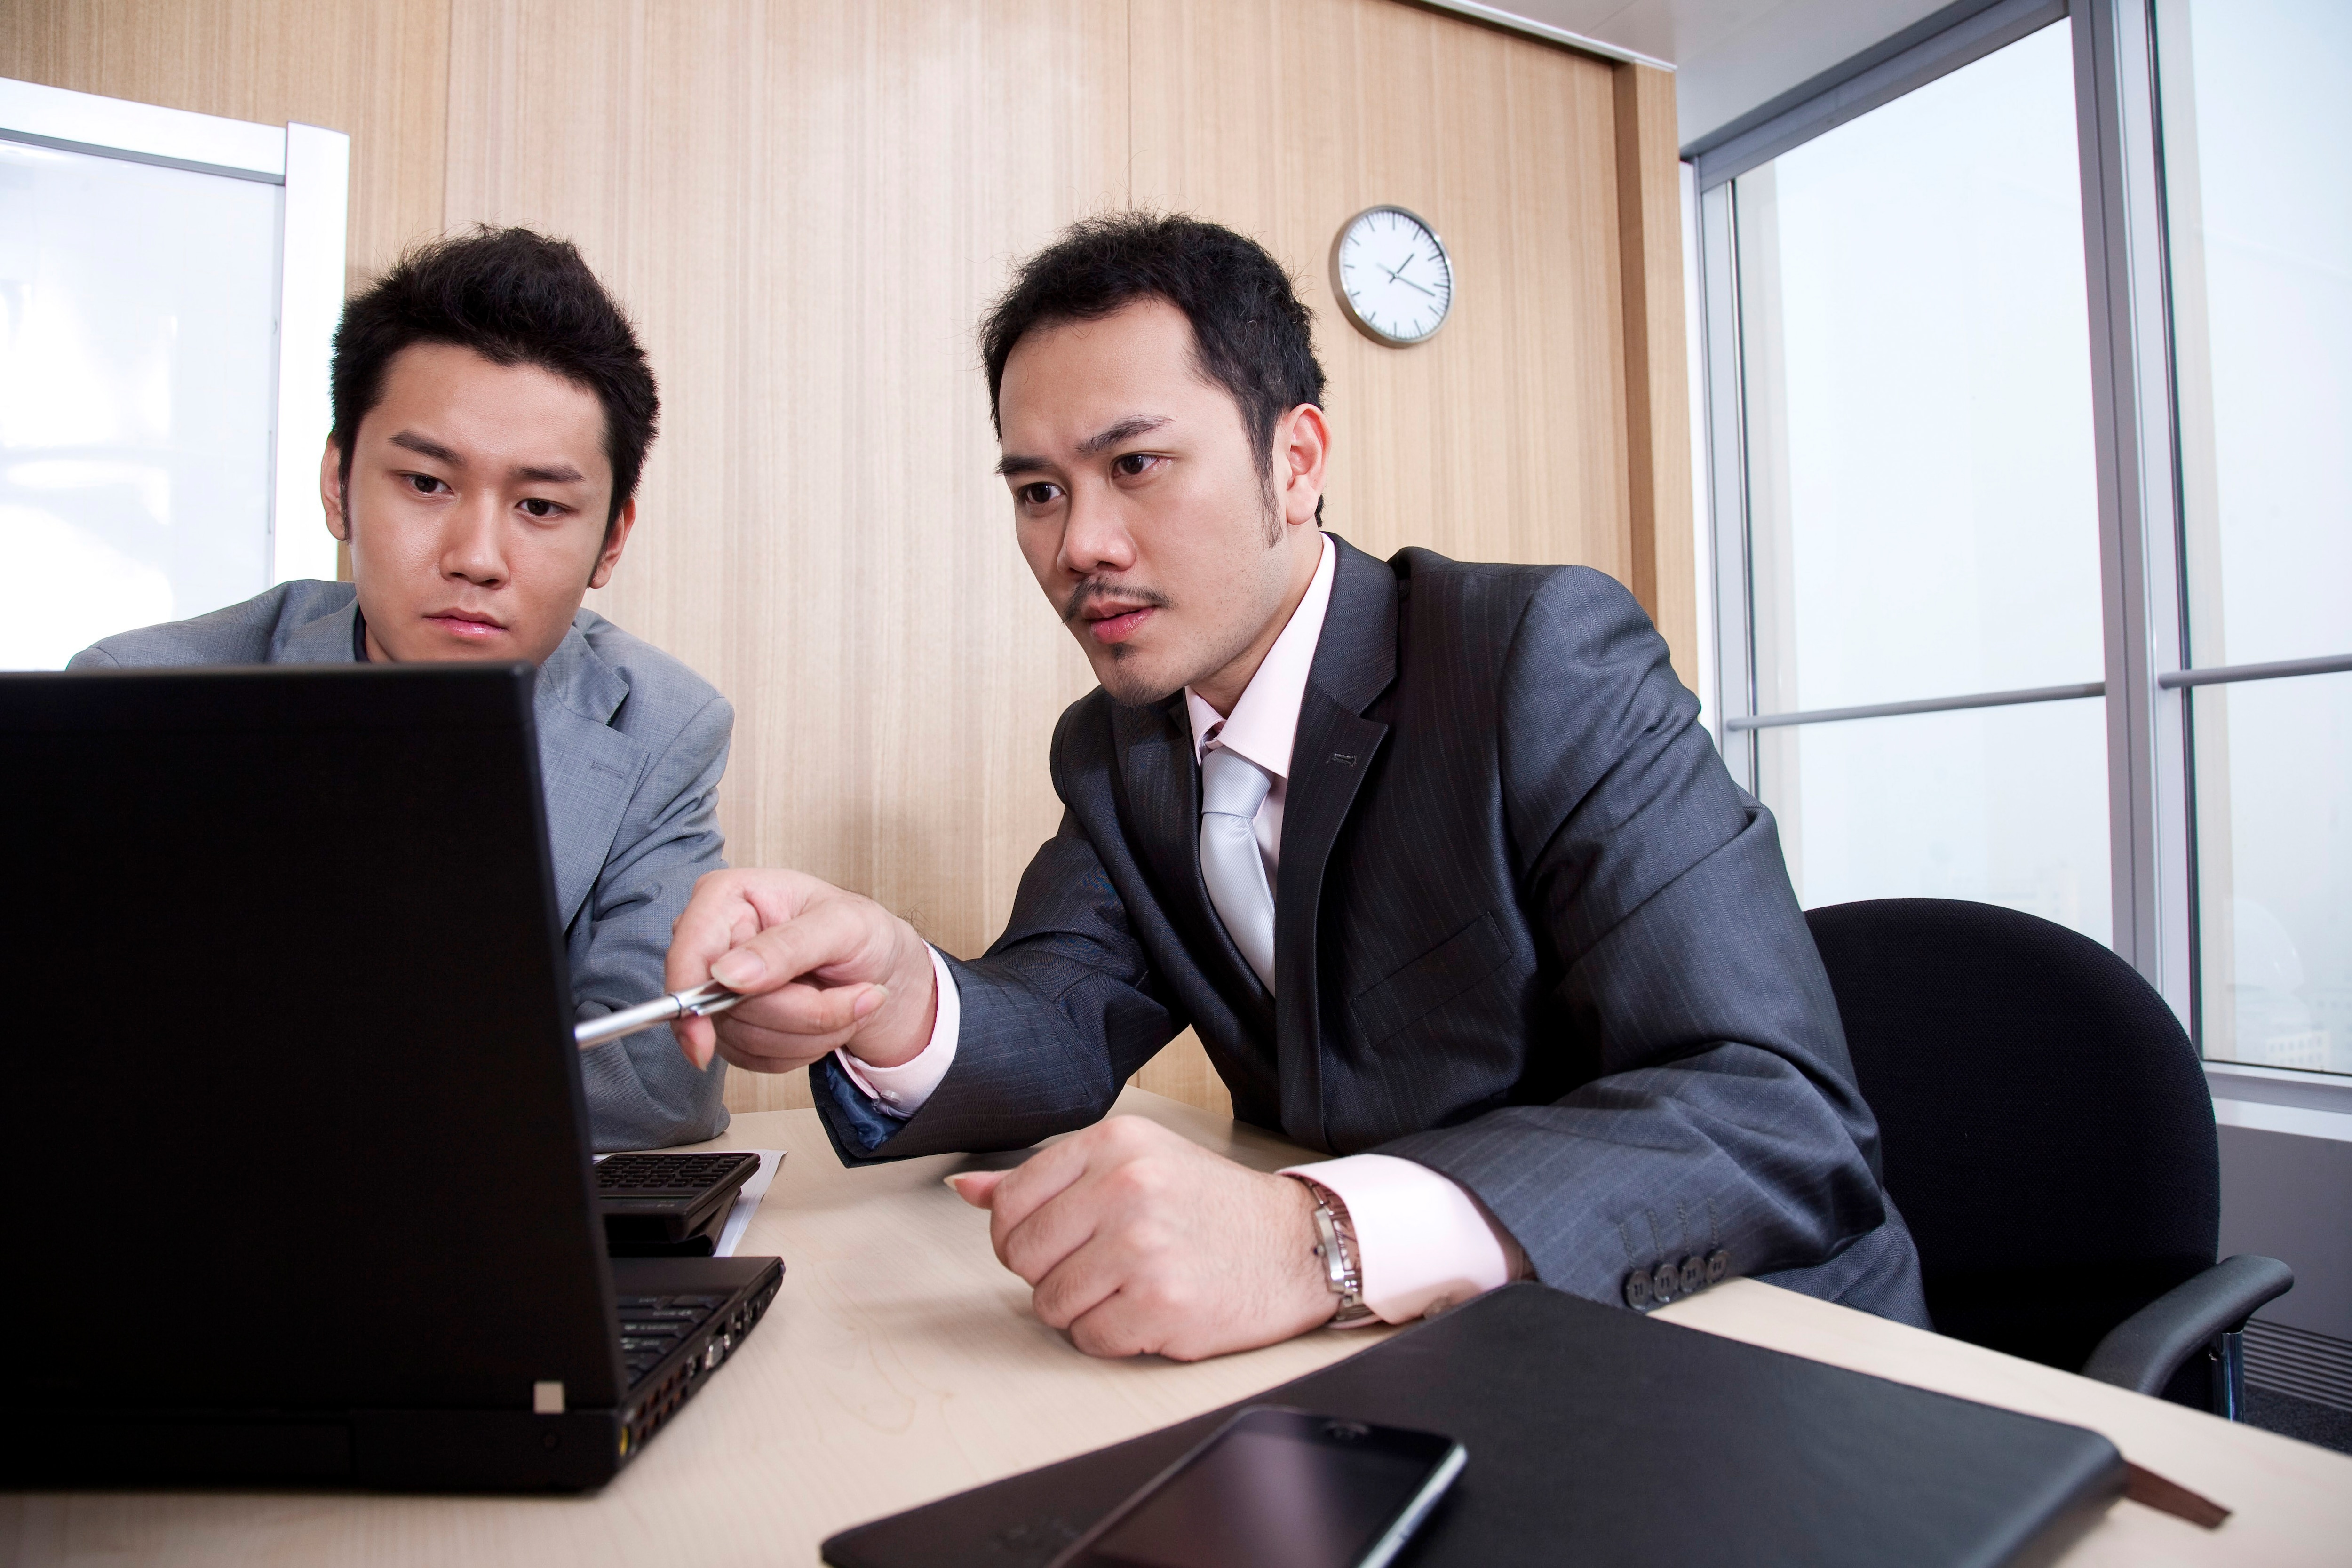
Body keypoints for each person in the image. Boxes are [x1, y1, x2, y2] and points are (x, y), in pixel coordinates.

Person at [666, 213, 1929, 1361]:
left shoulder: (1537, 654)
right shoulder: (1115, 747)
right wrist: (892, 989)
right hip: (1416, 1359)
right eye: (1039, 491)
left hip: (1742, 1345)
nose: (1079, 544)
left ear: (1297, 460)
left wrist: (1313, 1235)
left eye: (1139, 466)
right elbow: (1059, 1019)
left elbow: (1776, 1108)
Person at [71, 226, 732, 1152]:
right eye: (426, 481)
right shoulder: (134, 700)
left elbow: (660, 1080)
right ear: (338, 484)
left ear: (611, 541)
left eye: (540, 506)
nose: (476, 557)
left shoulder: (663, 725)